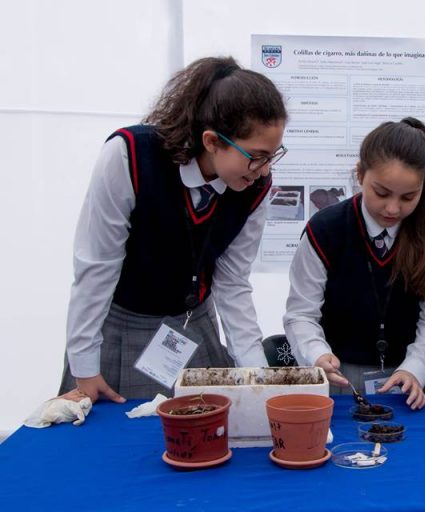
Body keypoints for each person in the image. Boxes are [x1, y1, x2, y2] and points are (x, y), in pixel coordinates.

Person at [59, 56, 287, 403]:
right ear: (212, 141)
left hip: (192, 323)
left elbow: (233, 281)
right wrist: (86, 366)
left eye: (273, 154)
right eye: (256, 155)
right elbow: (96, 267)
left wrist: (255, 374)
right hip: (121, 324)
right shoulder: (129, 156)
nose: (264, 168)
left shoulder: (254, 186)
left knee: (209, 433)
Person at [284, 118, 425, 409]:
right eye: (382, 192)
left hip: (411, 379)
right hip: (340, 377)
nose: (392, 208)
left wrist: (414, 370)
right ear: (360, 174)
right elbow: (301, 313)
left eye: (408, 197)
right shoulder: (325, 230)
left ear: (424, 188)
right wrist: (316, 355)